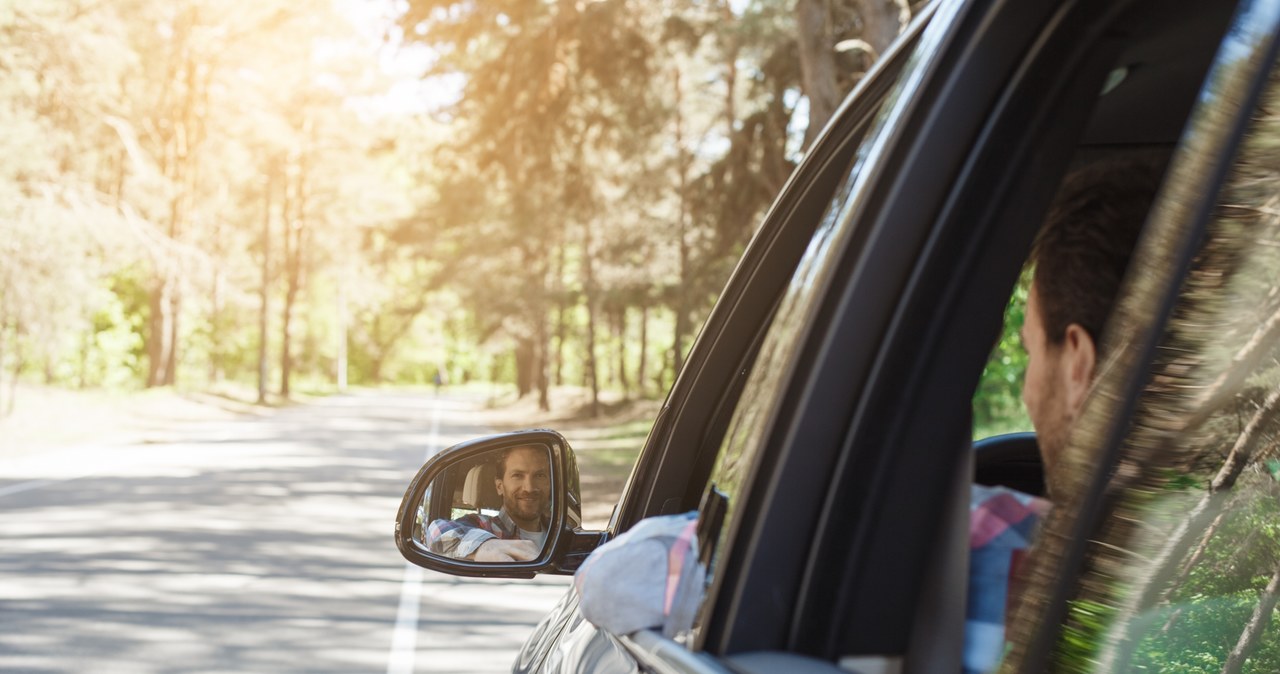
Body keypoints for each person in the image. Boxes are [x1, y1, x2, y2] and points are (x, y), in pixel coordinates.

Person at [573, 156, 1165, 672]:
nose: (1032, 385)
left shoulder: (985, 550)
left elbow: (612, 580)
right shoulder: (1249, 570)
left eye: (1034, 349)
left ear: (1079, 362)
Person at [425, 445, 552, 562]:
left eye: (540, 475)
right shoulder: (481, 526)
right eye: (517, 475)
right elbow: (436, 532)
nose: (529, 488)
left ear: (550, 484)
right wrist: (486, 545)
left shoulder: (565, 534)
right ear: (499, 486)